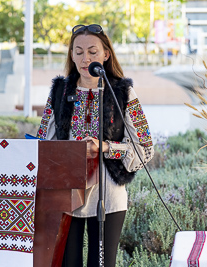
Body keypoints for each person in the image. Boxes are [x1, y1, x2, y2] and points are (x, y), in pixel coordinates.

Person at [36, 24, 154, 267]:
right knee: (68, 262)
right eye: (78, 52)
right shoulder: (59, 91)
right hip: (66, 195)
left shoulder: (123, 92)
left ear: (106, 55)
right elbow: (42, 143)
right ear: (71, 54)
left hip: (108, 194)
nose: (85, 58)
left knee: (101, 264)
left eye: (92, 51)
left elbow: (146, 147)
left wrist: (107, 147)